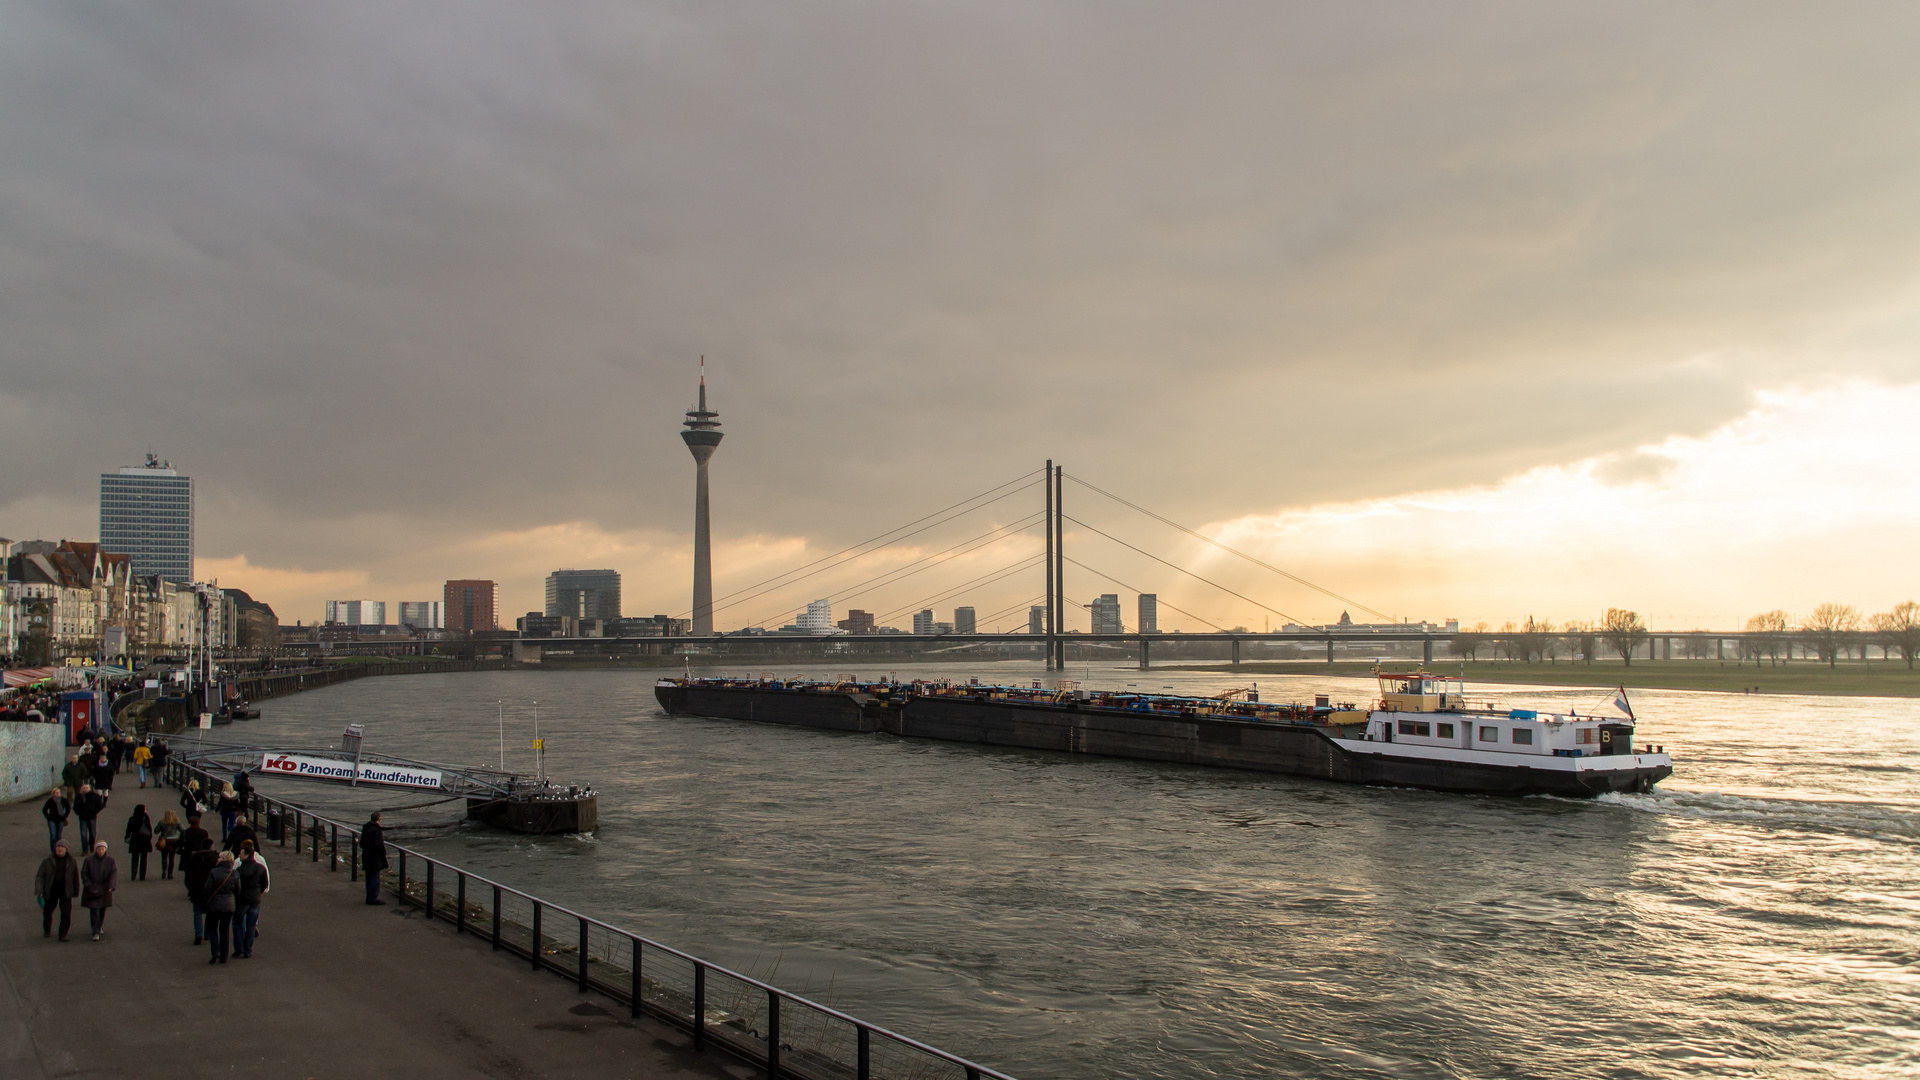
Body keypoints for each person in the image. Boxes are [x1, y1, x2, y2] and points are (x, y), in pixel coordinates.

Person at [34, 839, 79, 941]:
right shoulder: (47, 861)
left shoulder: (72, 861)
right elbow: (40, 876)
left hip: (65, 892)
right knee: (47, 912)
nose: (59, 849)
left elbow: (75, 877)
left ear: (66, 849)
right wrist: (38, 889)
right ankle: (47, 929)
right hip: (51, 891)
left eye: (62, 847)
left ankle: (63, 934)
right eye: (58, 847)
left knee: (66, 914)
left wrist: (76, 890)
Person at [202, 851, 240, 964]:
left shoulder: (214, 872)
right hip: (228, 905)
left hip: (214, 904)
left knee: (212, 928)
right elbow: (237, 891)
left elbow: (207, 888)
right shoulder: (234, 874)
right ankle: (224, 955)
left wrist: (206, 901)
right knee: (224, 930)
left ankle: (215, 951)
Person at [234, 841, 269, 959]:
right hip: (255, 899)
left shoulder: (239, 870)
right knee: (251, 925)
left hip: (243, 900)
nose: (239, 856)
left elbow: (236, 886)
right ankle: (248, 949)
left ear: (247, 855)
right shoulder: (260, 868)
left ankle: (239, 947)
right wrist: (258, 892)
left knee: (238, 922)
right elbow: (265, 883)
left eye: (241, 854)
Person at [80, 840, 117, 941]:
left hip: (105, 889)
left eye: (102, 849)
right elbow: (84, 873)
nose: (101, 851)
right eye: (99, 849)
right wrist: (87, 884)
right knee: (94, 910)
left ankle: (99, 925)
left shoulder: (110, 861)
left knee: (102, 909)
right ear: (96, 850)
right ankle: (95, 931)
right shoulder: (88, 861)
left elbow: (113, 874)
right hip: (92, 889)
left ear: (105, 850)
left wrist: (111, 885)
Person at [361, 811, 387, 905]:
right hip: (374, 856)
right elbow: (379, 845)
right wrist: (383, 855)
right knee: (375, 877)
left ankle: (369, 896)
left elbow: (362, 843)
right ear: (378, 819)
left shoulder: (366, 827)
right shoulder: (376, 830)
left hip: (366, 854)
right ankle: (373, 898)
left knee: (368, 876)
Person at [123, 804, 154, 881]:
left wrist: (127, 837)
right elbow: (149, 829)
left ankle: (134, 873)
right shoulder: (146, 818)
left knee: (134, 857)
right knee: (144, 858)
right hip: (144, 840)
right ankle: (142, 875)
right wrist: (149, 838)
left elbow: (128, 829)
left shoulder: (132, 819)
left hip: (135, 840)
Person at [73, 784, 105, 851]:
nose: (85, 789)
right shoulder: (79, 796)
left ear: (90, 788)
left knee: (92, 833)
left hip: (92, 817)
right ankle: (84, 849)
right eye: (84, 788)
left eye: (87, 788)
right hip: (82, 817)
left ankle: (91, 844)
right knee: (83, 834)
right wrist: (78, 812)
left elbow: (100, 805)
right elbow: (75, 806)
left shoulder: (95, 796)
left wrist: (95, 812)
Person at [154, 810, 183, 880]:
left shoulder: (161, 822)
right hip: (174, 841)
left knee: (164, 857)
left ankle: (164, 871)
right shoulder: (176, 821)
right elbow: (183, 830)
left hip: (165, 841)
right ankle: (170, 874)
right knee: (172, 857)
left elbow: (156, 831)